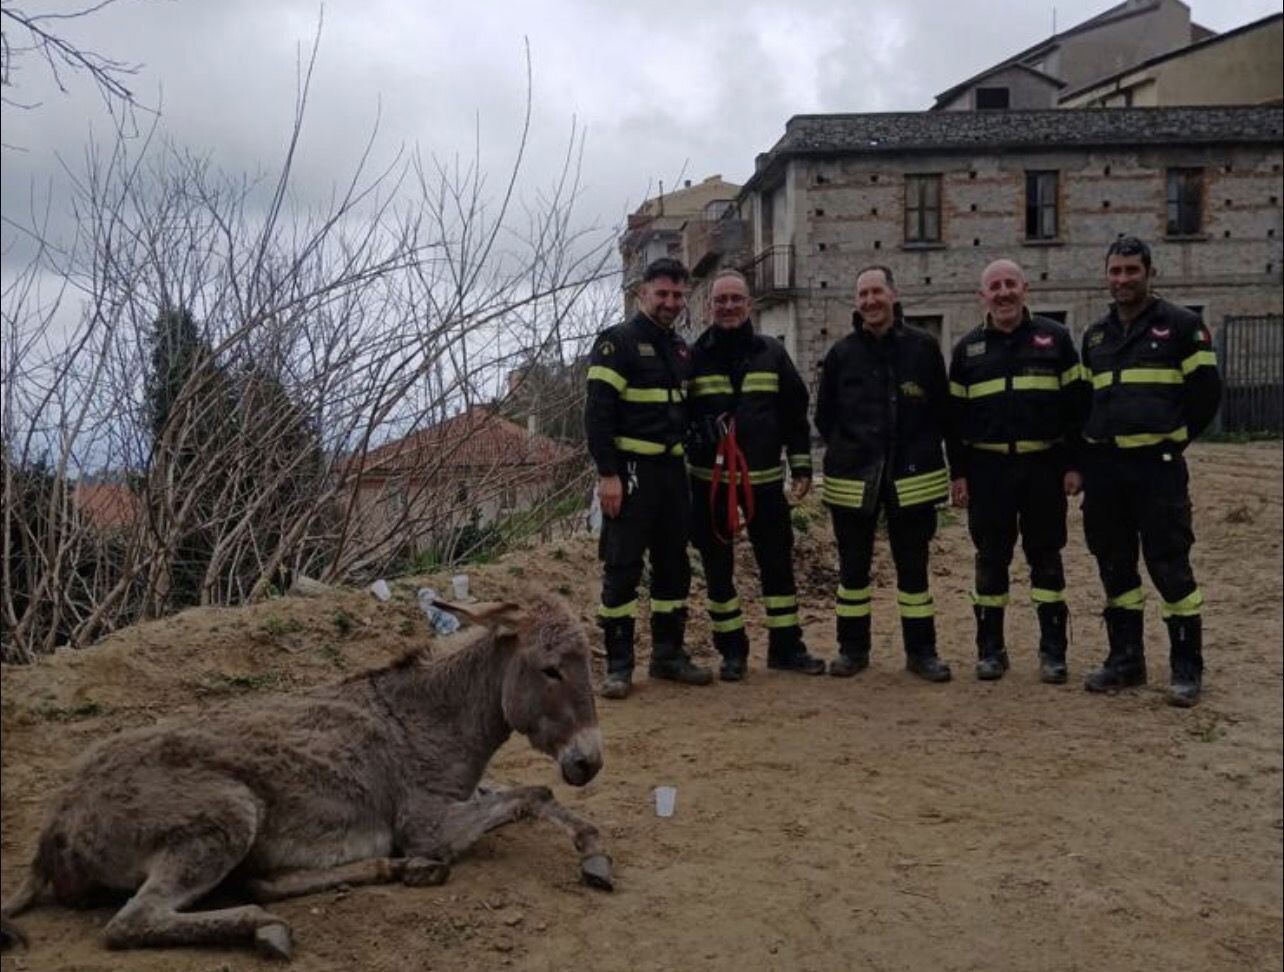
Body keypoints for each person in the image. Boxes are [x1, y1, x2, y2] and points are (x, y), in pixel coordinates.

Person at [1079, 236, 1221, 707]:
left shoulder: (1181, 326)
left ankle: (1186, 667)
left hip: (1156, 470)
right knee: (1114, 565)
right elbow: (1087, 402)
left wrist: (1177, 438)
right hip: (1106, 471)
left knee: (1170, 567)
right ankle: (1126, 661)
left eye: (1131, 271)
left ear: (1148, 272)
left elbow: (1206, 394)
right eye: (1115, 272)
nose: (1122, 280)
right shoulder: (1095, 336)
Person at [947, 259, 1088, 683]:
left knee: (1046, 559)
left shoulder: (1056, 339)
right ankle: (991, 650)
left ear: (1025, 288)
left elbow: (1078, 407)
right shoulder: (966, 351)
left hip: (1043, 467)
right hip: (988, 471)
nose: (1003, 292)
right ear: (982, 296)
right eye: (995, 286)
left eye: (1010, 284)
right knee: (990, 561)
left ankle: (1053, 652)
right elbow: (954, 420)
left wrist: (1075, 464)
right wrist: (959, 474)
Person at [814, 265, 953, 682]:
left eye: (877, 292)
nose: (870, 301)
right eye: (863, 295)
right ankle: (852, 651)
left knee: (914, 571)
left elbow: (942, 411)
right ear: (856, 303)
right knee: (852, 572)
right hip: (853, 478)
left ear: (893, 295)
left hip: (913, 478)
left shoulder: (924, 349)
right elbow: (824, 417)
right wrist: (852, 449)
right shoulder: (841, 354)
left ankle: (922, 652)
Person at [685, 268, 824, 681]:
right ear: (709, 307)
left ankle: (786, 647)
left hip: (763, 483)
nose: (728, 306)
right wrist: (695, 435)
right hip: (708, 485)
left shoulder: (772, 353)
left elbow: (795, 413)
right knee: (717, 571)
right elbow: (676, 415)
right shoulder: (693, 358)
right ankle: (732, 652)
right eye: (720, 300)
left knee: (777, 565)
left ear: (748, 305)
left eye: (735, 299)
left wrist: (801, 464)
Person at [584, 257, 712, 699]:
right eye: (663, 294)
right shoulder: (617, 343)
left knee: (674, 566)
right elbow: (597, 414)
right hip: (631, 475)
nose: (671, 303)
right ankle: (619, 667)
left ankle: (668, 655)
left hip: (672, 475)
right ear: (642, 294)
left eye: (678, 295)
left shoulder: (679, 349)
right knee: (622, 569)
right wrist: (608, 475)